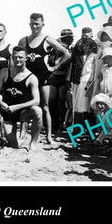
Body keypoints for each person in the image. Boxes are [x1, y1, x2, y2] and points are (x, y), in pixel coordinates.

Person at [17, 13, 70, 144]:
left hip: (43, 77)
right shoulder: (24, 40)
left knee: (45, 107)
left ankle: (49, 137)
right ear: (29, 24)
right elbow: (18, 57)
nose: (34, 26)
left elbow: (67, 54)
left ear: (42, 24)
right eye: (32, 24)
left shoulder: (47, 39)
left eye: (37, 24)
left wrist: (55, 67)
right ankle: (22, 133)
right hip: (28, 78)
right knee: (25, 105)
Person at [0, 46, 43, 150]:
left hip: (23, 113)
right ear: (12, 57)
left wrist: (16, 107)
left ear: (26, 58)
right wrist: (0, 102)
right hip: (8, 112)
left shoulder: (31, 77)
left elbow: (37, 100)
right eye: (15, 57)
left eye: (21, 57)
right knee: (15, 145)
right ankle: (20, 134)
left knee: (38, 111)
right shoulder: (4, 72)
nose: (18, 60)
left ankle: (33, 143)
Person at [48, 29, 74, 133]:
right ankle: (55, 125)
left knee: (61, 103)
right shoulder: (55, 51)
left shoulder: (69, 51)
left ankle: (59, 125)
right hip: (55, 79)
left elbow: (70, 68)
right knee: (54, 102)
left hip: (62, 79)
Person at [71, 38, 98, 126]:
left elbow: (94, 71)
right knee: (80, 106)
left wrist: (91, 83)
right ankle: (80, 128)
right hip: (82, 82)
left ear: (91, 47)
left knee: (88, 107)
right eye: (84, 46)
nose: (85, 48)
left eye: (87, 46)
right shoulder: (85, 57)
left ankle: (90, 130)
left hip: (88, 82)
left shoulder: (94, 56)